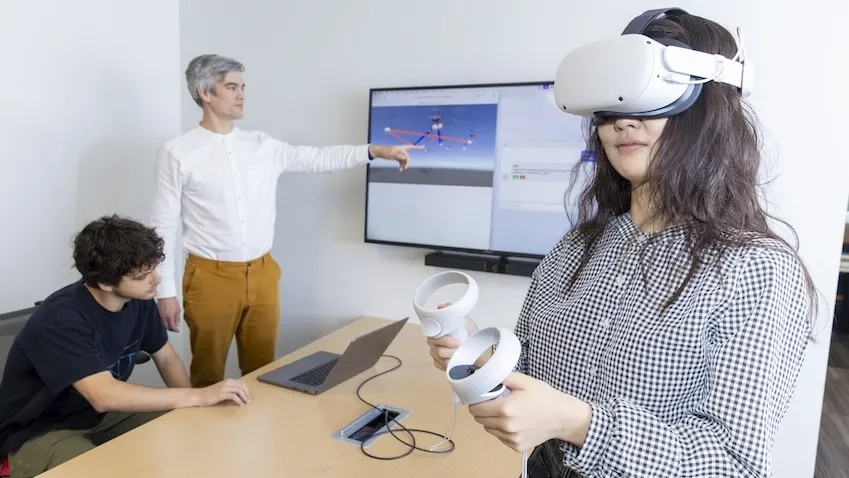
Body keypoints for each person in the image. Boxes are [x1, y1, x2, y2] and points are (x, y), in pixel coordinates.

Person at [426, 10, 818, 478]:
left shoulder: (755, 270)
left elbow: (734, 463)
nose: (623, 122)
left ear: (710, 110)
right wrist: (483, 362)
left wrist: (583, 425)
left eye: (651, 99)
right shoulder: (577, 247)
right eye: (612, 103)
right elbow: (534, 387)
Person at [150, 54, 419, 388]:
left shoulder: (262, 146)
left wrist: (375, 150)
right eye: (231, 87)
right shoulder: (177, 152)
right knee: (208, 374)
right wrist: (164, 291)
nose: (241, 94)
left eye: (243, 87)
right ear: (205, 93)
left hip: (263, 273)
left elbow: (318, 158)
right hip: (210, 277)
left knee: (265, 369)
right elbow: (163, 225)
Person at [0, 215, 251, 478]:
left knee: (194, 431)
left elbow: (165, 358)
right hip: (38, 431)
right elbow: (104, 396)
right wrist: (200, 395)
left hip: (100, 416)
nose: (156, 280)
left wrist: (193, 405)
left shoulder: (139, 299)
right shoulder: (60, 320)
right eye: (143, 275)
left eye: (154, 269)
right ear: (105, 283)